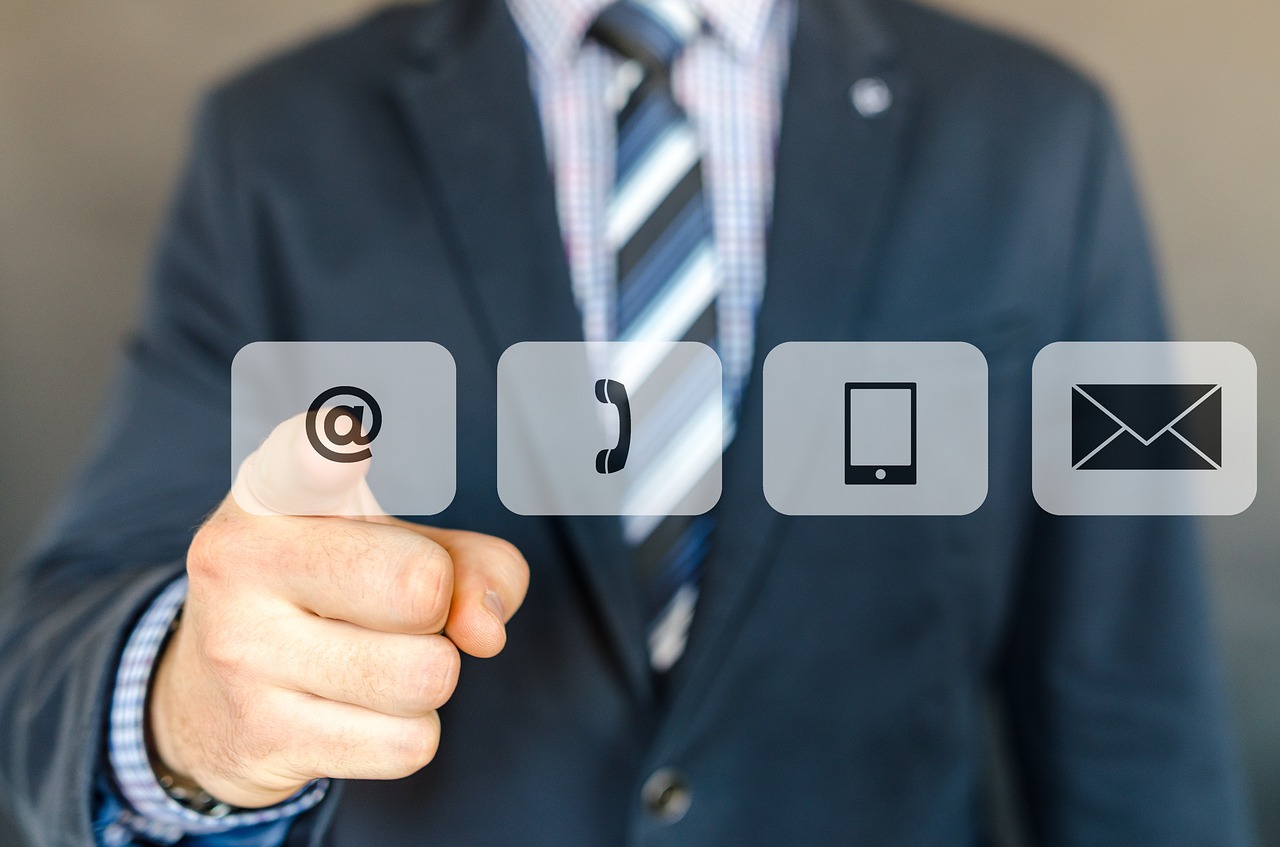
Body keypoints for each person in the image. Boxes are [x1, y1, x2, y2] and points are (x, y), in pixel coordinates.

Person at [0, 0, 1253, 844]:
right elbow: (69, 638)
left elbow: (1132, 692)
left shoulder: (1039, 133)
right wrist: (194, 711)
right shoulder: (277, 140)